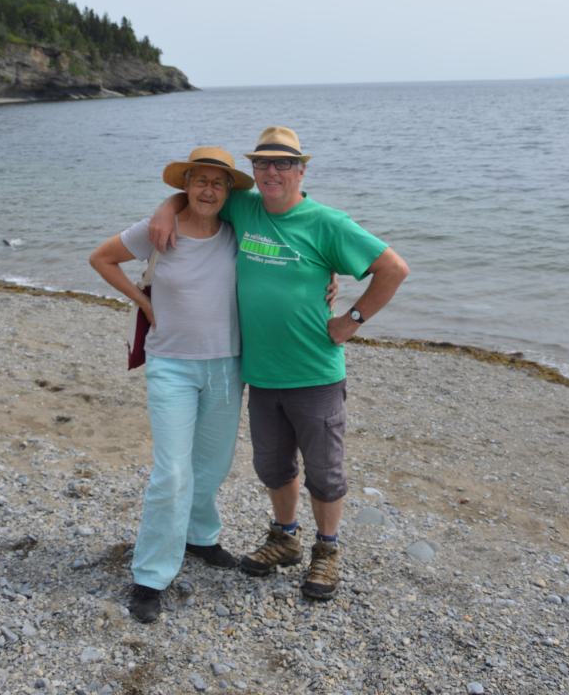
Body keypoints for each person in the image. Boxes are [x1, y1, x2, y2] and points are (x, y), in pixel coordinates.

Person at [149, 126, 409, 601]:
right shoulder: (244, 208)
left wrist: (351, 321)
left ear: (301, 170)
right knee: (272, 466)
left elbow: (393, 268)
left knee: (324, 473)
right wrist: (166, 209)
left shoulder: (327, 222)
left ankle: (326, 550)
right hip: (260, 374)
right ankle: (284, 538)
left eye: (283, 163)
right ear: (253, 171)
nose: (272, 171)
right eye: (263, 163)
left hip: (315, 373)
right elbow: (197, 195)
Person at [89, 146, 254, 624]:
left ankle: (200, 536)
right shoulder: (159, 229)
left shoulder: (238, 231)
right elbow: (102, 259)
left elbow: (291, 241)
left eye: (218, 183)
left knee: (213, 466)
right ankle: (150, 575)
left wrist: (330, 278)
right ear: (186, 185)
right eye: (200, 181)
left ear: (228, 192)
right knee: (172, 473)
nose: (209, 190)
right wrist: (143, 302)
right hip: (171, 366)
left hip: (227, 365)